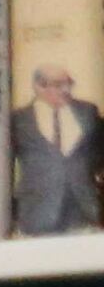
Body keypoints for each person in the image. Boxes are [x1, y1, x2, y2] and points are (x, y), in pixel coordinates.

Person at [17, 62, 103, 238]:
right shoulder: (19, 120)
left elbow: (98, 151)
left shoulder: (88, 112)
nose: (66, 90)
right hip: (38, 213)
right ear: (39, 86)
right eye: (58, 84)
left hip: (83, 209)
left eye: (68, 83)